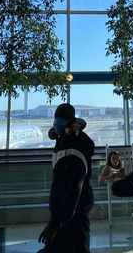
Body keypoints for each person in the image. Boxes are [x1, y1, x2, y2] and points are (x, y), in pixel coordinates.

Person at [38, 103, 95, 253]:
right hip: (60, 212)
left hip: (75, 212)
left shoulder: (77, 147)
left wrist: (53, 226)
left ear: (70, 124)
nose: (56, 123)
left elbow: (74, 192)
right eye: (56, 118)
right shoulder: (63, 139)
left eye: (60, 119)